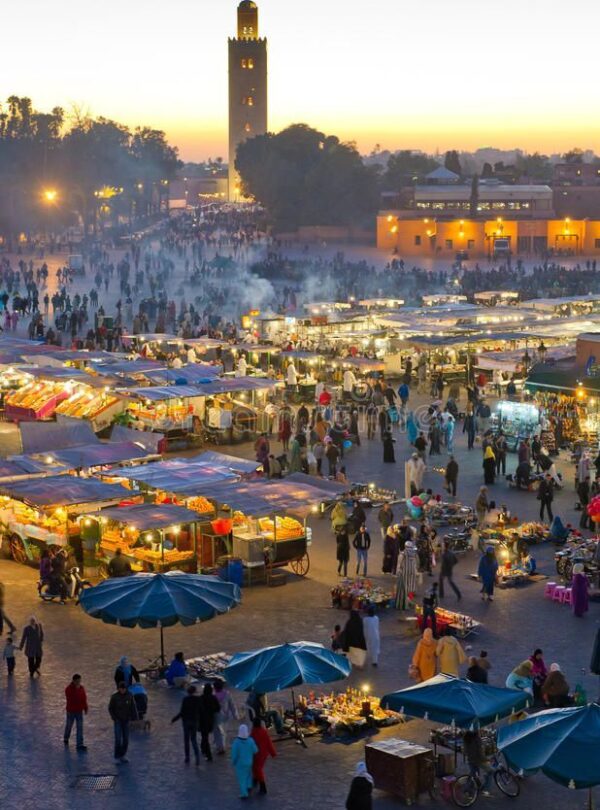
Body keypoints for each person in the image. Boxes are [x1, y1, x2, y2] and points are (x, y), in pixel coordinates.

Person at [171, 684, 201, 765]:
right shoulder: (198, 699)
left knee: (186, 740)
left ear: (188, 692)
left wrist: (174, 719)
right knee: (194, 740)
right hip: (195, 721)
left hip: (186, 722)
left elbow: (182, 712)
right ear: (195, 691)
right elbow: (201, 711)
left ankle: (187, 757)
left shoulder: (185, 699)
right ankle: (197, 757)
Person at [108, 681, 134, 763]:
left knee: (126, 739)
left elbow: (133, 707)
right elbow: (110, 708)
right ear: (118, 689)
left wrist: (131, 717)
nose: (122, 690)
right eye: (121, 689)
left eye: (124, 689)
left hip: (126, 721)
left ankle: (122, 755)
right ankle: (117, 756)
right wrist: (114, 718)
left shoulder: (130, 695)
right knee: (118, 739)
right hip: (118, 721)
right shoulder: (114, 697)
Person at [231, 724, 258, 800]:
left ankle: (244, 793)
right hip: (249, 762)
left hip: (240, 764)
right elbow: (255, 750)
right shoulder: (250, 740)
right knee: (249, 774)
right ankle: (249, 786)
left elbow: (234, 755)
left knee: (242, 779)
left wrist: (233, 762)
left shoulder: (236, 743)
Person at [463, 730, 493, 797]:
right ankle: (485, 789)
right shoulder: (477, 738)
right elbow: (480, 754)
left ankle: (469, 790)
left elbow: (465, 751)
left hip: (470, 760)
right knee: (491, 771)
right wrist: (488, 759)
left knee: (474, 775)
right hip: (478, 760)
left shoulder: (465, 737)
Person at [250, 716, 276, 795]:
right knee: (257, 768)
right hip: (263, 754)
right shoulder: (264, 732)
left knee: (257, 768)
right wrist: (273, 753)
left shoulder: (252, 733)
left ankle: (262, 785)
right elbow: (269, 743)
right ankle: (256, 779)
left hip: (256, 755)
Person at [213, 678, 238, 754]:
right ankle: (221, 746)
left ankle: (220, 747)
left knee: (217, 732)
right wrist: (235, 715)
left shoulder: (213, 696)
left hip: (216, 716)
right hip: (225, 716)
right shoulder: (227, 694)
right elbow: (232, 705)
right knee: (223, 732)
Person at [64, 674, 88, 751]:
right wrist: (76, 689)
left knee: (80, 727)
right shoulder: (68, 689)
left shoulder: (81, 688)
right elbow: (72, 697)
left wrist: (85, 707)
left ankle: (79, 744)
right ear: (73, 681)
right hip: (71, 711)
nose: (79, 682)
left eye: (79, 681)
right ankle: (66, 737)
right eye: (77, 681)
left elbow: (84, 698)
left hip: (79, 711)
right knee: (69, 726)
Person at [198, 682, 220, 762]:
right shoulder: (213, 698)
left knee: (204, 736)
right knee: (205, 736)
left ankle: (208, 753)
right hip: (210, 720)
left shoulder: (201, 698)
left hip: (202, 720)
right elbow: (218, 708)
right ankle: (204, 749)